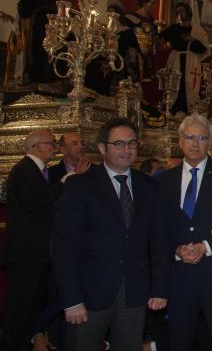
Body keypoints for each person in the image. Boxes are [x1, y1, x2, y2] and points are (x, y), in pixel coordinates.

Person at [52, 117, 169, 351]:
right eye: (119, 144)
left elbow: (159, 241)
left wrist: (160, 287)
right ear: (102, 148)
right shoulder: (80, 186)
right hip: (89, 295)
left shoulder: (149, 186)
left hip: (135, 293)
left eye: (132, 143)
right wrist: (71, 299)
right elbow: (63, 247)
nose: (127, 149)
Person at [158, 114, 212, 351]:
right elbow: (158, 228)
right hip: (178, 276)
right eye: (189, 137)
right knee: (179, 340)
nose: (195, 143)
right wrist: (175, 249)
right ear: (180, 141)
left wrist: (206, 246)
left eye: (202, 138)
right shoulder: (164, 180)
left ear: (210, 142)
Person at [1, 130, 61, 351]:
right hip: (26, 254)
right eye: (51, 143)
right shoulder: (25, 169)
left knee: (33, 306)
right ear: (36, 146)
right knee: (20, 307)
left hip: (36, 252)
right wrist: (63, 182)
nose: (54, 146)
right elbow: (33, 202)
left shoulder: (37, 170)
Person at [14, 0, 57, 85]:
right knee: (47, 54)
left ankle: (31, 85)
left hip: (37, 21)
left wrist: (21, 1)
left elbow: (25, 9)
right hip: (53, 21)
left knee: (34, 54)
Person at [158, 2, 210, 115]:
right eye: (177, 12)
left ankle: (189, 112)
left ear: (188, 12)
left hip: (191, 62)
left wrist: (192, 40)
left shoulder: (198, 30)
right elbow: (161, 36)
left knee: (189, 86)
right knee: (174, 87)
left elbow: (204, 49)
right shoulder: (174, 28)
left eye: (182, 11)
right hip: (175, 60)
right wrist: (161, 40)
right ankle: (172, 112)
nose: (179, 14)